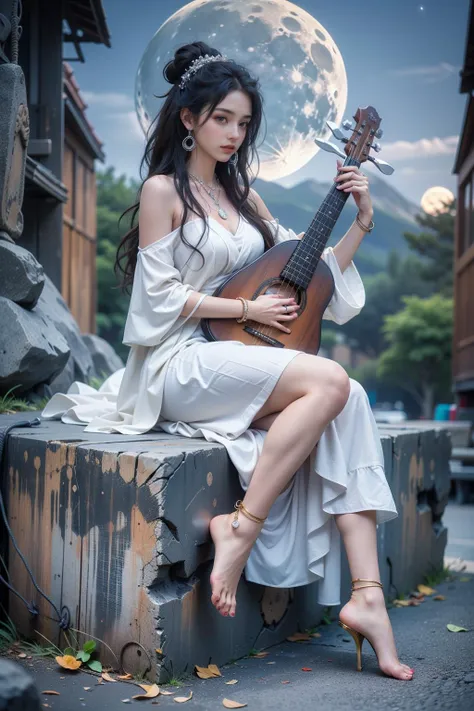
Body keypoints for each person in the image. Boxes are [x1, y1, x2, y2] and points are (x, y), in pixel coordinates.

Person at [42, 41, 413, 681]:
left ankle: (367, 596)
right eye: (222, 119)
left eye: (244, 123)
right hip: (177, 363)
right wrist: (245, 314)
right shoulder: (164, 191)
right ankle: (240, 528)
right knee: (333, 380)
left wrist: (362, 220)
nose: (235, 134)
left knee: (348, 397)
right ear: (188, 119)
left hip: (233, 357)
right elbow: (155, 300)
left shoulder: (245, 197)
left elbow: (307, 277)